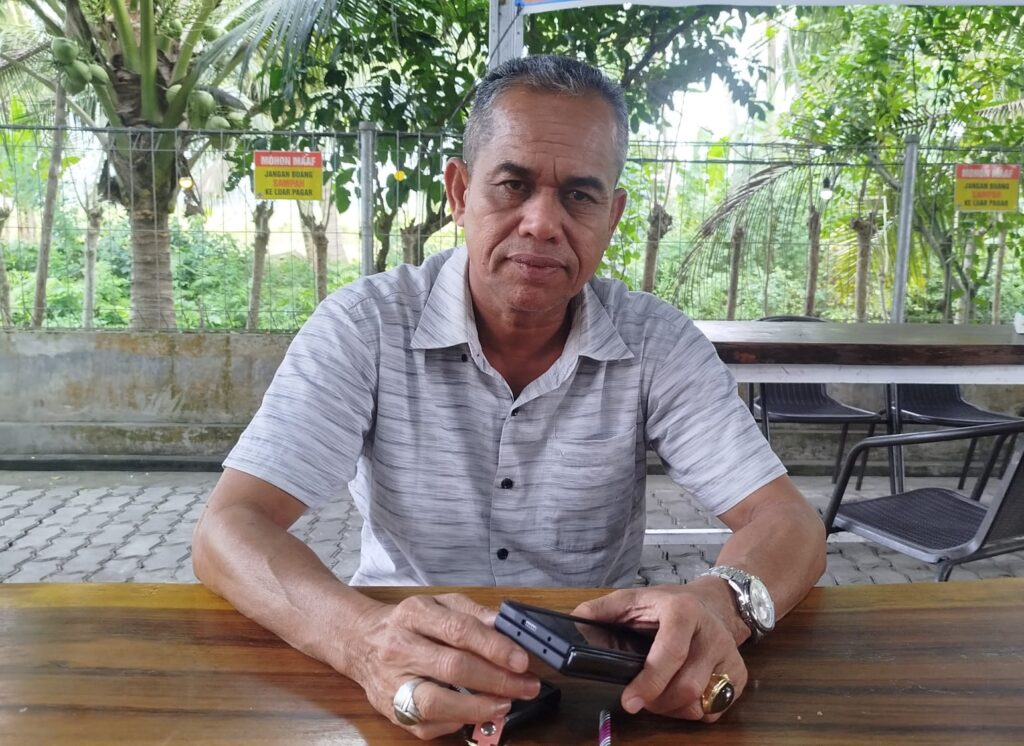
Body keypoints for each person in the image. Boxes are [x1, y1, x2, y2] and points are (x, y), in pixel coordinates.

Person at [192, 55, 826, 741]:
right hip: (400, 670)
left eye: (579, 196)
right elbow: (229, 529)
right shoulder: (364, 327)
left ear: (612, 216)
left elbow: (787, 521)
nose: (542, 222)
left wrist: (720, 603)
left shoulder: (657, 344)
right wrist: (361, 639)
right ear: (459, 191)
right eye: (512, 185)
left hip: (600, 691)